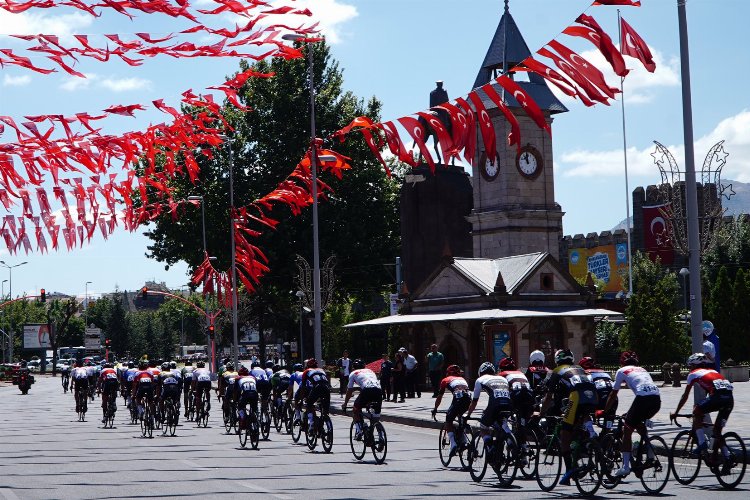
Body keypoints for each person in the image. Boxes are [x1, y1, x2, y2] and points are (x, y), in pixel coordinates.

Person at [540, 349, 598, 486]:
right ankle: (590, 434)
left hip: (576, 396)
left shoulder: (557, 370)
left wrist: (542, 412)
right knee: (582, 417)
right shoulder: (580, 368)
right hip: (593, 396)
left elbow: (549, 396)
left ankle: (570, 470)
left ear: (557, 360)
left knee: (564, 434)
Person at [671, 352, 734, 472]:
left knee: (697, 410)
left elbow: (685, 396)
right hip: (729, 400)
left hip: (718, 398)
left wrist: (676, 412)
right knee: (717, 431)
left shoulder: (693, 374)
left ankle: (701, 443)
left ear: (694, 365)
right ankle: (727, 457)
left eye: (690, 366)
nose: (689, 368)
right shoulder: (714, 372)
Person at [604, 351, 661, 477]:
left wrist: (605, 410)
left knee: (627, 429)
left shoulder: (621, 371)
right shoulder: (642, 369)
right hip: (656, 400)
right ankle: (651, 453)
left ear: (622, 362)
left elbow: (613, 394)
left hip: (642, 399)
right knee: (638, 422)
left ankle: (625, 467)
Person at [467, 362, 513, 457]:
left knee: (483, 427)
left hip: (495, 405)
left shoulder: (480, 380)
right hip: (508, 404)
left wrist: (468, 414)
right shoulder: (502, 378)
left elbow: (474, 401)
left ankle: (490, 447)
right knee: (503, 423)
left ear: (480, 372)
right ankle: (510, 440)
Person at [431, 365, 471, 456]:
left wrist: (435, 409)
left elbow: (439, 397)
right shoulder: (462, 379)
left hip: (458, 399)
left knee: (448, 420)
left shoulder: (445, 380)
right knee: (460, 417)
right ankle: (464, 440)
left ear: (448, 373)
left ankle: (453, 444)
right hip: (468, 400)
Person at [497, 357, 535, 447]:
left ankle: (510, 439)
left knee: (501, 416)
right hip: (529, 396)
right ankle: (523, 446)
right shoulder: (521, 373)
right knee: (522, 422)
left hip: (516, 395)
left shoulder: (502, 374)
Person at [342, 359, 382, 440]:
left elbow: (349, 390)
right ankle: (380, 437)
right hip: (378, 390)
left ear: (353, 367)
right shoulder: (370, 371)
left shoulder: (353, 373)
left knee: (355, 409)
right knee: (375, 418)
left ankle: (360, 431)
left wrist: (345, 404)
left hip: (367, 391)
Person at [301, 358, 331, 431]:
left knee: (309, 404)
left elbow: (303, 387)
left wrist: (303, 398)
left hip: (317, 387)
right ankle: (326, 424)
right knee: (325, 410)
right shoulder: (321, 370)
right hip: (326, 388)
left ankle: (311, 424)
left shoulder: (306, 371)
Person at [235, 366, 259, 430]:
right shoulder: (253, 377)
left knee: (240, 406)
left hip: (246, 394)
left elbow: (236, 391)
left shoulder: (238, 378)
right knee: (254, 408)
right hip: (254, 394)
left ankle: (243, 418)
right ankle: (256, 418)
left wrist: (236, 400)